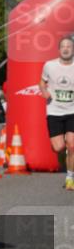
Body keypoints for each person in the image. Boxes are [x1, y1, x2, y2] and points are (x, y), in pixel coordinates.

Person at [39, 35, 74, 190]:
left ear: (73, 50)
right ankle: (65, 158)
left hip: (72, 110)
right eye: (63, 46)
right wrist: (44, 91)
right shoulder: (49, 66)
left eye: (69, 46)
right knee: (59, 147)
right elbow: (41, 82)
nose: (66, 48)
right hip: (54, 111)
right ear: (59, 50)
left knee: (72, 145)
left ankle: (70, 178)